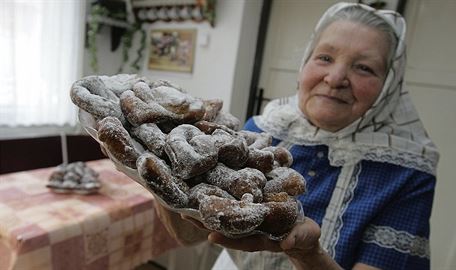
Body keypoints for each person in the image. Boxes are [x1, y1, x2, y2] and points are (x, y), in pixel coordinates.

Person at [153, 2, 439, 269]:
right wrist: (157, 164)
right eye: (325, 57)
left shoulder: (407, 172)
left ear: (388, 88)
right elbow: (189, 236)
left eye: (364, 67)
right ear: (304, 64)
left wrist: (308, 256)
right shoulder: (262, 131)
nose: (336, 78)